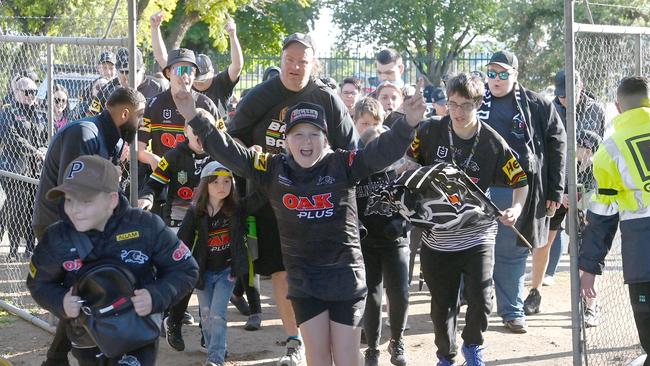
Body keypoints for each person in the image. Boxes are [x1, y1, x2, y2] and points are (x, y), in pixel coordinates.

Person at [180, 73, 426, 365]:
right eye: (297, 134)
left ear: (325, 138)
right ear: (285, 141)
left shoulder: (343, 164)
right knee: (318, 358)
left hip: (344, 277)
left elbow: (379, 153)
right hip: (304, 280)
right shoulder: (272, 167)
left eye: (314, 134)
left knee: (347, 357)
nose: (306, 141)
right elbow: (230, 152)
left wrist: (407, 123)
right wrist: (193, 115)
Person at [224, 32, 358, 366]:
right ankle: (294, 339)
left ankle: (329, 337)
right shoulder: (261, 96)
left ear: (313, 63)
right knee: (282, 270)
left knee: (320, 269)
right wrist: (249, 151)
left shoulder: (327, 99)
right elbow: (232, 140)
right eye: (290, 60)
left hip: (322, 203)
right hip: (271, 197)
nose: (296, 67)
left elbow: (352, 149)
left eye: (303, 61)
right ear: (282, 60)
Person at [26, 155, 198, 366]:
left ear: (112, 200)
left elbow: (185, 270)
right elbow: (39, 282)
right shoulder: (57, 237)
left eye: (86, 201)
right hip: (86, 336)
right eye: (69, 199)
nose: (74, 209)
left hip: (136, 333)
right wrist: (60, 301)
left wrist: (156, 295)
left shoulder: (146, 226)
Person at [409, 72, 529, 366]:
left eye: (466, 105)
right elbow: (409, 161)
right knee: (442, 305)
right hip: (437, 237)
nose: (458, 112)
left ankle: (473, 347)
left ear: (478, 103)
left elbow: (521, 181)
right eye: (452, 104)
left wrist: (515, 209)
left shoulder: (492, 141)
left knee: (481, 298)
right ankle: (446, 356)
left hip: (479, 234)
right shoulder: (428, 131)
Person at [31, 87, 146, 366]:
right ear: (125, 113)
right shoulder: (85, 134)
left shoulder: (109, 137)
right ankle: (76, 357)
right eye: (141, 116)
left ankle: (57, 358)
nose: (142, 123)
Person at [478, 50, 566, 334]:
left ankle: (512, 310)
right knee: (473, 251)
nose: (496, 79)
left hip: (516, 189)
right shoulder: (476, 100)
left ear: (515, 74)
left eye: (503, 73)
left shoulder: (535, 103)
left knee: (511, 252)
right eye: (492, 73)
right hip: (477, 188)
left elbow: (557, 143)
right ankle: (473, 306)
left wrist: (555, 188)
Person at [523, 69, 606, 318]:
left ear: (580, 88)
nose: (564, 100)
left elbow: (585, 152)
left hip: (585, 186)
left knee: (586, 247)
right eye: (560, 96)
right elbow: (544, 150)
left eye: (568, 95)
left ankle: (589, 303)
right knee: (543, 241)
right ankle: (534, 292)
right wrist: (559, 191)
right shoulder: (550, 108)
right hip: (555, 186)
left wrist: (573, 189)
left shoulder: (593, 109)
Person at [579, 76, 650, 365]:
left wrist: (589, 267)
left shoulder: (609, 150)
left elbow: (603, 217)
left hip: (642, 250)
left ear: (618, 107)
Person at [137, 112, 213, 352]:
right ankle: (174, 322)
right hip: (179, 221)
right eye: (196, 131)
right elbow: (154, 183)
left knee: (208, 276)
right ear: (186, 133)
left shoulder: (219, 154)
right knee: (186, 275)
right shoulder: (173, 156)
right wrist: (147, 198)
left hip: (212, 222)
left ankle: (207, 331)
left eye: (205, 130)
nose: (201, 136)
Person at [176, 160, 253, 366]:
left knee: (218, 314)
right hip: (203, 272)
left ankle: (215, 358)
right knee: (206, 315)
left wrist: (255, 164)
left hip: (227, 270)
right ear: (205, 185)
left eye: (227, 182)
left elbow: (262, 197)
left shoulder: (237, 208)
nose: (222, 187)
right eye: (216, 182)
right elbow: (181, 240)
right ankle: (216, 349)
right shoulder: (195, 211)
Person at [356, 126, 411, 366]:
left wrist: (402, 222)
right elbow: (347, 205)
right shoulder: (356, 173)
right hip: (367, 244)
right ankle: (372, 347)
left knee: (398, 292)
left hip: (395, 242)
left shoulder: (400, 173)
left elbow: (415, 205)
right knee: (372, 296)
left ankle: (397, 340)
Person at [150, 12, 242, 112]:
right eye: (196, 78)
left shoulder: (221, 83)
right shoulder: (186, 81)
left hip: (216, 126)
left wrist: (232, 36)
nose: (197, 83)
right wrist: (155, 28)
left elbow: (237, 66)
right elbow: (161, 57)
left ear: (212, 72)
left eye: (202, 79)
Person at [0, 76, 48, 259]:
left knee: (32, 208)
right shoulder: (8, 111)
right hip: (14, 167)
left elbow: (45, 137)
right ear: (17, 92)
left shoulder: (39, 112)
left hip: (36, 168)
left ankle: (30, 247)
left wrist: (42, 150)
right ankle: (13, 250)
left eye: (34, 92)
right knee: (17, 207)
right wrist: (34, 151)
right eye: (28, 92)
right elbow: (11, 138)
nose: (31, 95)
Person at [88, 47, 166, 116]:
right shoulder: (109, 87)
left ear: (143, 69)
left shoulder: (158, 87)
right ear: (116, 71)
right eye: (123, 71)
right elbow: (91, 114)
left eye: (134, 71)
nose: (128, 76)